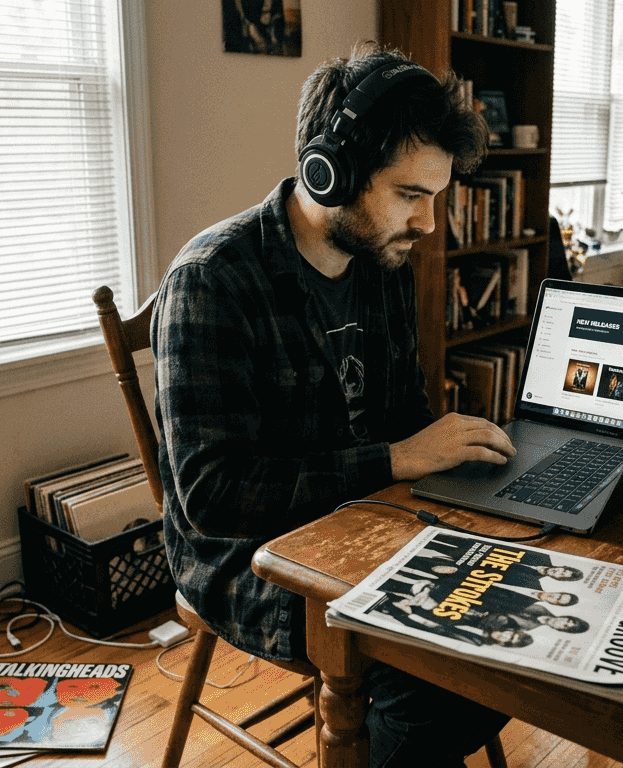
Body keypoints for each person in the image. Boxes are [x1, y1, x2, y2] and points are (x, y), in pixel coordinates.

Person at [150, 43, 516, 767]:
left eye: (435, 198)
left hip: (366, 525)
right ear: (331, 171)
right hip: (246, 560)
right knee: (434, 679)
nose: (428, 225)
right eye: (412, 195)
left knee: (509, 616)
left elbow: (406, 416)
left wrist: (478, 473)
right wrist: (398, 458)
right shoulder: (213, 282)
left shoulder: (380, 262)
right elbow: (213, 498)